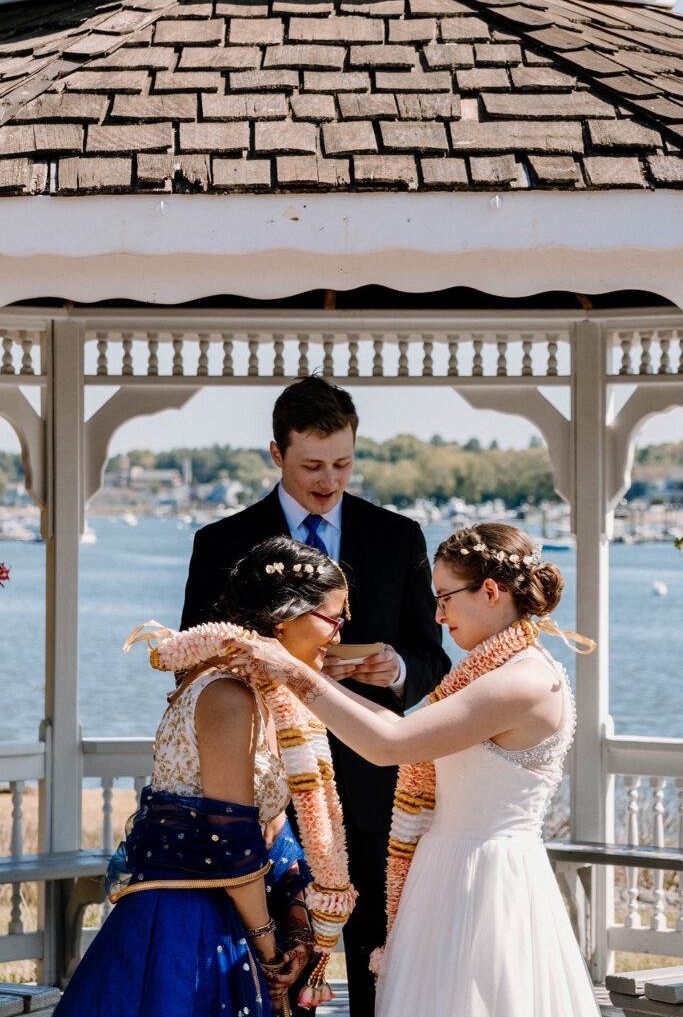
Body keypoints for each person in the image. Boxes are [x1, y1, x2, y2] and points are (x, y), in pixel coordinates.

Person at [226, 523, 601, 1017]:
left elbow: (391, 744)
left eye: (445, 597)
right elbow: (406, 728)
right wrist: (325, 681)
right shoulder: (493, 672)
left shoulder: (523, 681)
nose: (439, 615)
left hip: (485, 881)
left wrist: (293, 673)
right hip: (447, 871)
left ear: (490, 591)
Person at [181, 376, 450, 1016]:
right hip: (262, 780)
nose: (329, 481)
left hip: (369, 781)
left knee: (379, 964)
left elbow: (433, 655)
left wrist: (399, 668)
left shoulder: (398, 537)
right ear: (276, 454)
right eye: (311, 465)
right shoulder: (219, 543)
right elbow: (192, 660)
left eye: (343, 463)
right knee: (269, 963)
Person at [55, 535, 354, 1017]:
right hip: (186, 928)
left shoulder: (268, 696)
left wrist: (299, 927)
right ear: (285, 616)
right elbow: (232, 841)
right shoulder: (228, 695)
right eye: (334, 617)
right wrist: (269, 949)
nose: (338, 634)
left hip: (239, 910)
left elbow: (271, 827)